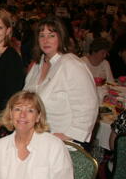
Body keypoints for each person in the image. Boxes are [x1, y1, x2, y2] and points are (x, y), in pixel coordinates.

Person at [0, 91, 74, 179]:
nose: (23, 115)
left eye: (30, 111)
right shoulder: (0, 147)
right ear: (10, 114)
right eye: (17, 109)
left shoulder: (54, 147)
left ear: (38, 117)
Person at [23, 16, 98, 145]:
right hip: (37, 138)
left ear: (61, 37)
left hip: (62, 141)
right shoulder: (38, 64)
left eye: (51, 35)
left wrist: (70, 135)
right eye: (42, 35)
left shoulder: (71, 64)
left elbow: (88, 106)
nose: (46, 40)